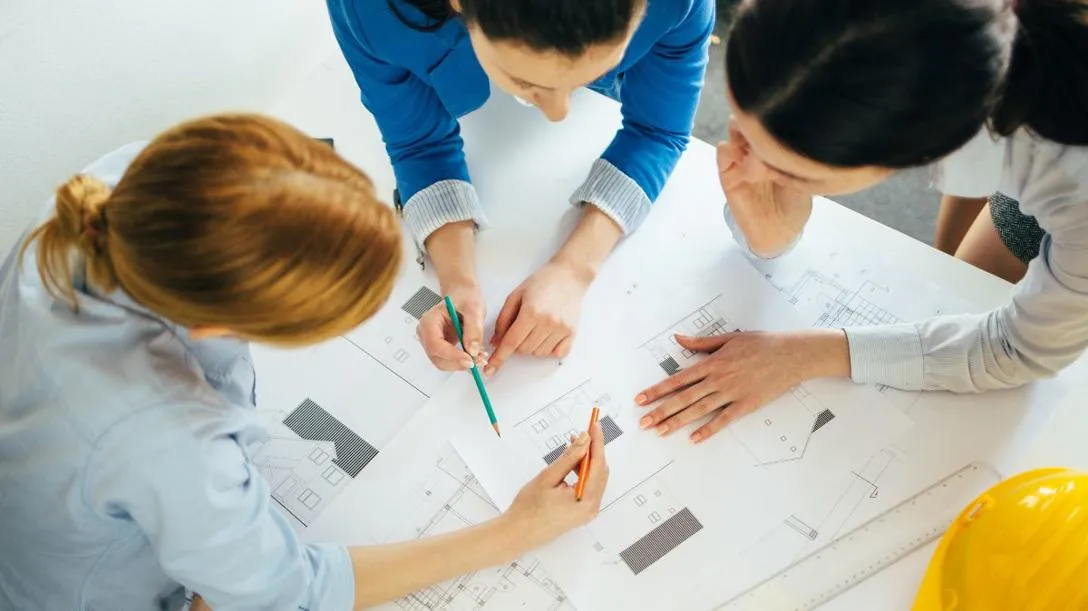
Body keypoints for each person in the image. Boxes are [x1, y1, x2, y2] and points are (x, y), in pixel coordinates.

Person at [0, 113, 609, 611]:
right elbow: (291, 595)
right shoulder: (164, 437)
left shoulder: (134, 189)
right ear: (215, 323)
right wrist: (513, 532)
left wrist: (454, 279)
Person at [635, 0, 1088, 442]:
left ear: (921, 153)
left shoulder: (1072, 186)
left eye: (793, 171)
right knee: (959, 282)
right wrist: (768, 230)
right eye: (740, 129)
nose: (745, 168)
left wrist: (804, 354)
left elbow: (1014, 349)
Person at [326, 0, 714, 375]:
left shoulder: (677, 3)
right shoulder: (370, 11)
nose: (558, 114)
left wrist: (574, 269)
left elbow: (658, 131)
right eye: (526, 83)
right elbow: (418, 145)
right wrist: (457, 279)